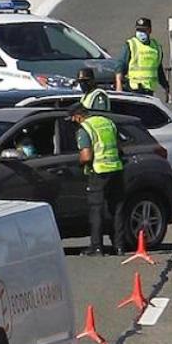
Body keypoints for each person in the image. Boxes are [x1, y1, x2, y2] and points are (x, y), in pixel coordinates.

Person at [71, 103, 126, 256]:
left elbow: (86, 156)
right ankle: (119, 247)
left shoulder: (84, 129)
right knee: (117, 208)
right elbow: (119, 146)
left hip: (99, 171)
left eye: (73, 119)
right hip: (116, 169)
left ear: (78, 116)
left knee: (96, 210)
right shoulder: (106, 122)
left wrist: (79, 163)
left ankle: (97, 247)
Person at [115, 17, 170, 100]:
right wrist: (119, 86)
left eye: (144, 30)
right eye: (139, 30)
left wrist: (165, 85)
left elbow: (158, 68)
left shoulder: (156, 47)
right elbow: (120, 66)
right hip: (134, 90)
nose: (141, 33)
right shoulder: (131, 45)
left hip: (149, 90)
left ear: (150, 30)